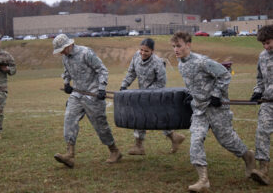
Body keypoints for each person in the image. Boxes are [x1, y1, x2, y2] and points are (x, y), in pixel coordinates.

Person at [171, 32, 255, 192]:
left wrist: (217, 94)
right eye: (174, 46)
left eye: (179, 46)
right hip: (199, 111)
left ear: (188, 45)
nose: (176, 49)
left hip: (216, 108)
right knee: (195, 141)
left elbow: (224, 75)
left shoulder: (202, 61)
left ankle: (248, 156)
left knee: (227, 140)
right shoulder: (181, 64)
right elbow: (192, 83)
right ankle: (203, 180)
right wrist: (190, 95)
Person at [52, 34, 122, 168]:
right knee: (69, 119)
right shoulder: (65, 58)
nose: (61, 53)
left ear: (69, 45)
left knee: (100, 126)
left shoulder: (86, 53)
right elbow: (67, 72)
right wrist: (67, 83)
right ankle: (70, 155)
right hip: (77, 94)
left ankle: (114, 151)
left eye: (62, 49)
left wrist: (102, 88)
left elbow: (102, 70)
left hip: (93, 95)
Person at [120, 38, 185, 155]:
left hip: (156, 95)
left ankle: (141, 145)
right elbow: (131, 72)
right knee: (144, 117)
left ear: (152, 51)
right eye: (141, 50)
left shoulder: (157, 62)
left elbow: (161, 83)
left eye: (146, 51)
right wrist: (124, 85)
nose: (143, 53)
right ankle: (173, 137)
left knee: (150, 117)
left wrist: (147, 92)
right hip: (142, 95)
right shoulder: (136, 56)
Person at [249, 24, 273, 185]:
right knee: (262, 132)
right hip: (268, 102)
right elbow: (260, 79)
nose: (266, 46)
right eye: (263, 43)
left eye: (269, 42)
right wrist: (257, 91)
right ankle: (263, 170)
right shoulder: (263, 56)